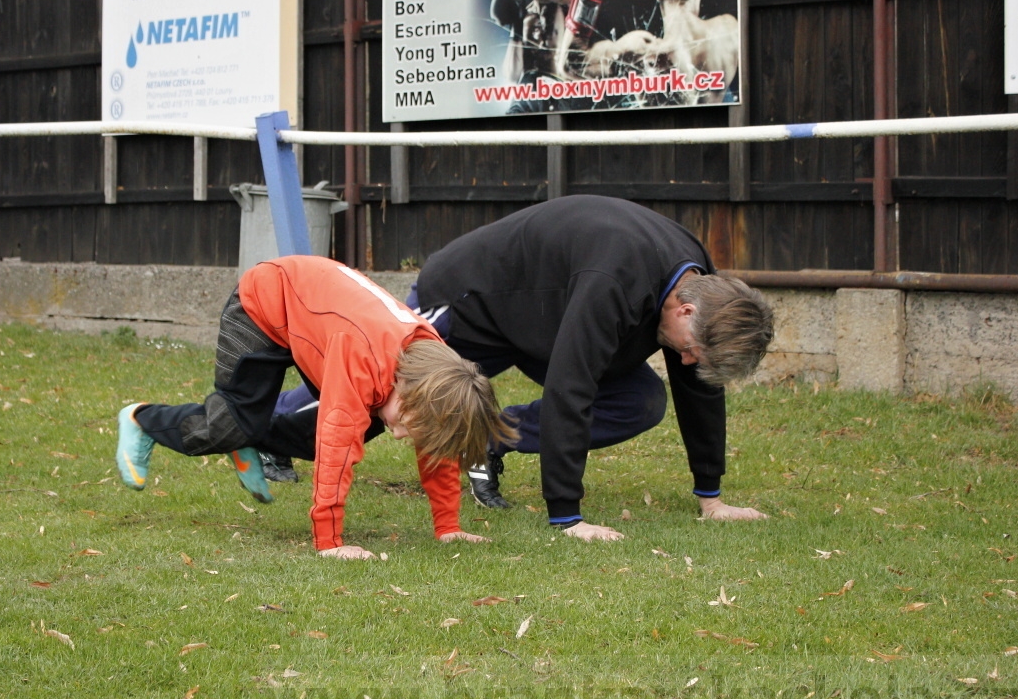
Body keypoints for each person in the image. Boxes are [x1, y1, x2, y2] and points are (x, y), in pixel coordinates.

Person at [262, 197, 774, 543]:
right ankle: (263, 430)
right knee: (379, 402)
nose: (685, 363)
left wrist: (712, 496)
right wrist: (567, 516)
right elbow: (571, 385)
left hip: (546, 317)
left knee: (642, 400)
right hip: (474, 299)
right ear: (684, 310)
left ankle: (491, 437)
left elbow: (697, 388)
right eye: (691, 351)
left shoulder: (698, 282)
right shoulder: (615, 280)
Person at [114, 255, 515, 559]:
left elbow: (436, 442)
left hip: (317, 319)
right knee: (230, 423)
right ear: (407, 390)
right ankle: (141, 418)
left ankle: (250, 436)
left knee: (304, 438)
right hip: (265, 301)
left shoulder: (433, 371)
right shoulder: (365, 359)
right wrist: (330, 542)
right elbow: (337, 443)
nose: (404, 436)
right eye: (411, 424)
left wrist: (447, 526)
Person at [583, 0, 740, 105]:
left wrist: (617, 48)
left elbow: (573, 65)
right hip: (715, 127)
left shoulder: (645, 54)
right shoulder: (728, 29)